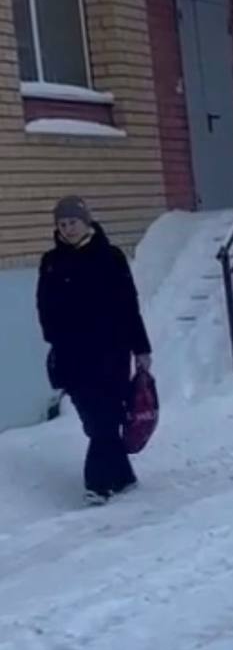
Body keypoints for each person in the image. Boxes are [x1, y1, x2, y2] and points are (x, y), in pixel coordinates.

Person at [37, 197, 152, 506]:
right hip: (72, 357)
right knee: (96, 421)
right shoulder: (51, 262)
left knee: (108, 417)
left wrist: (141, 348)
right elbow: (44, 309)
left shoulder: (110, 257)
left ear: (86, 221)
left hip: (111, 354)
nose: (67, 228)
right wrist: (58, 336)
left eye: (72, 222)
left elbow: (129, 306)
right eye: (62, 224)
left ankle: (98, 485)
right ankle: (123, 477)